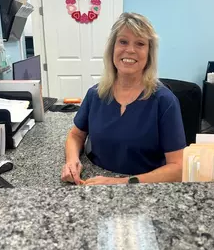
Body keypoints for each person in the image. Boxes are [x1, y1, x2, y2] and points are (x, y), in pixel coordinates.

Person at [61, 12, 186, 185]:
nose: (130, 50)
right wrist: (72, 160)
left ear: (149, 53)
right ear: (112, 48)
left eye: (140, 44)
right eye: (123, 41)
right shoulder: (95, 94)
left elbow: (178, 168)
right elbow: (75, 135)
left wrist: (120, 182)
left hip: (145, 189)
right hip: (95, 184)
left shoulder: (165, 102)